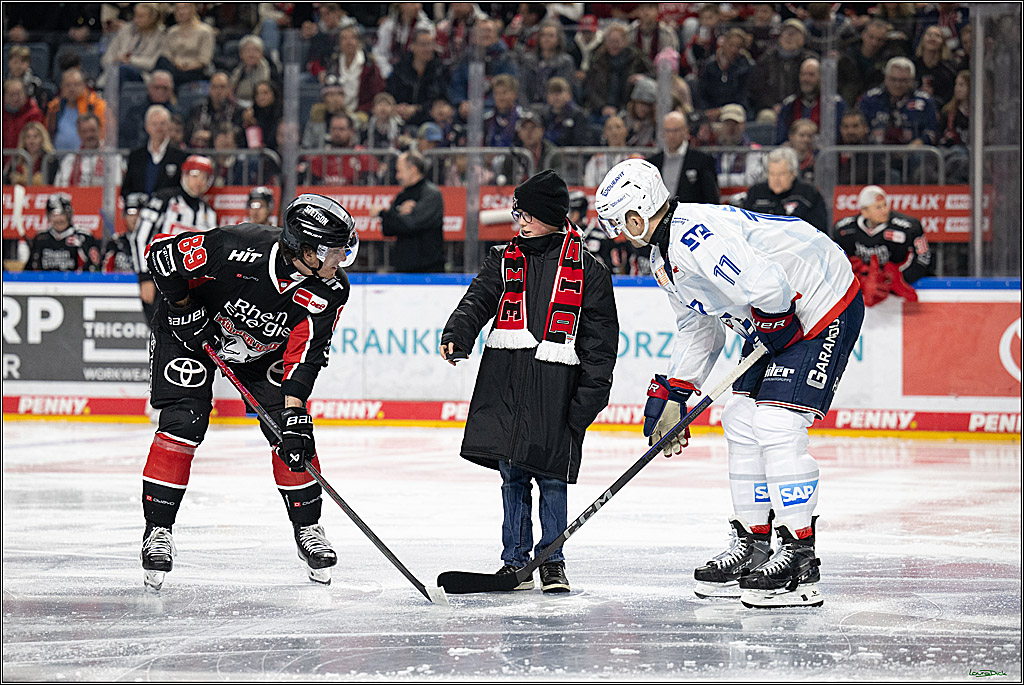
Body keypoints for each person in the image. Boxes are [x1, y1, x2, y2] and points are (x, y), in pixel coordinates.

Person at [595, 158, 863, 608]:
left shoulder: (693, 236)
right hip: (779, 309)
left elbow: (768, 286)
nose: (618, 232)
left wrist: (777, 328)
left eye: (618, 221)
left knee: (777, 425)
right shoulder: (663, 257)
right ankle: (754, 544)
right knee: (740, 417)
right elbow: (700, 327)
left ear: (637, 212)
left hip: (821, 301)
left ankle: (800, 558)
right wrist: (677, 391)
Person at [138, 194, 359, 591]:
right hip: (190, 335)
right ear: (306, 250)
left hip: (261, 353)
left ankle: (308, 527)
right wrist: (183, 306)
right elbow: (161, 255)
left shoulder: (331, 289)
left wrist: (294, 413)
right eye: (333, 250)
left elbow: (305, 355)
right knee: (183, 422)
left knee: (289, 433)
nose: (341, 258)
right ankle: (158, 529)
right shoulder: (237, 246)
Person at [439, 170, 618, 594]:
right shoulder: (503, 258)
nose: (520, 221)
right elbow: (477, 299)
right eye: (518, 213)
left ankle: (551, 561)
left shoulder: (588, 270)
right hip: (507, 385)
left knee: (551, 477)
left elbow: (600, 344)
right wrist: (458, 333)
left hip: (557, 392)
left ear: (550, 216)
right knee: (512, 476)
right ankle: (515, 561)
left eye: (528, 214)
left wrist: (586, 401)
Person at [132, 155, 218, 324]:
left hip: (195, 287)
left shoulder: (209, 213)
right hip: (163, 281)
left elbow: (213, 252)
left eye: (204, 177)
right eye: (195, 175)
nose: (199, 182)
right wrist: (145, 276)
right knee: (161, 331)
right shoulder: (163, 200)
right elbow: (140, 237)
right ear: (184, 175)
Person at [833, 185, 932, 306]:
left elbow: (923, 257)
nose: (885, 210)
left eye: (885, 205)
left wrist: (901, 279)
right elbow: (836, 260)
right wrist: (856, 279)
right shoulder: (843, 230)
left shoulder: (908, 227)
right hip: (862, 291)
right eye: (878, 207)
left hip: (897, 290)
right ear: (864, 212)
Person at [371, 151, 445, 272]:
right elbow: (388, 229)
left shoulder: (431, 194)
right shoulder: (402, 195)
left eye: (400, 171)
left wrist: (384, 214)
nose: (397, 176)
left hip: (429, 268)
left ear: (413, 169)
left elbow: (412, 223)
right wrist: (394, 215)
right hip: (404, 267)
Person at [743, 147, 828, 232]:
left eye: (781, 174)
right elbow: (745, 227)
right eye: (772, 174)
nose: (776, 179)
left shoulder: (809, 194)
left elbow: (819, 230)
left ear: (793, 173)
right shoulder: (756, 192)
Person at [646, 111, 719, 204]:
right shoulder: (653, 163)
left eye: (676, 130)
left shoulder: (702, 161)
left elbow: (711, 197)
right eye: (668, 131)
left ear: (686, 131)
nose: (671, 135)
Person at [749, 18, 816, 120]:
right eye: (786, 33)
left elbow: (813, 87)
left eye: (794, 34)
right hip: (772, 108)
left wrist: (794, 105)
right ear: (780, 37)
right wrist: (772, 105)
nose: (789, 37)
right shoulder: (766, 59)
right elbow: (759, 88)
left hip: (802, 106)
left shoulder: (810, 61)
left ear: (803, 39)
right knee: (766, 116)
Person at [582, 22, 651, 119]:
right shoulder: (596, 60)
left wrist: (643, 77)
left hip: (628, 109)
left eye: (617, 42)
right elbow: (589, 88)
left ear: (625, 42)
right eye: (611, 42)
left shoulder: (636, 57)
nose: (614, 45)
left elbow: (653, 73)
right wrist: (602, 107)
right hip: (599, 109)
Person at [122, 106, 189, 200]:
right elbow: (126, 190)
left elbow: (183, 189)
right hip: (140, 208)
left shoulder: (180, 156)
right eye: (154, 124)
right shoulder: (135, 156)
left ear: (169, 126)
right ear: (147, 127)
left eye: (162, 123)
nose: (158, 128)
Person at [775, 58, 847, 145]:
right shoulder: (789, 105)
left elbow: (839, 137)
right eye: (803, 74)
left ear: (821, 77)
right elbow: (781, 138)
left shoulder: (835, 104)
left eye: (811, 75)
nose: (806, 79)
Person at [26, 193, 101, 272]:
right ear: (48, 216)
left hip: (75, 280)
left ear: (69, 215)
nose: (58, 219)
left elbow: (95, 268)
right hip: (46, 280)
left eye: (62, 214)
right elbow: (29, 270)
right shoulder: (40, 238)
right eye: (54, 215)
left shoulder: (84, 237)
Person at [327, 21, 387, 117]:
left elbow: (377, 95)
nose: (348, 42)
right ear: (339, 43)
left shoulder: (369, 65)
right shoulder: (334, 63)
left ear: (359, 42)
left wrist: (361, 111)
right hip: (337, 110)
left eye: (352, 38)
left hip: (361, 111)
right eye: (344, 38)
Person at [44, 68, 107, 152]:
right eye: (68, 85)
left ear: (84, 86)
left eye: (76, 84)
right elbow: (48, 133)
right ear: (62, 87)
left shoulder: (95, 105)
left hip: (88, 156)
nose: (72, 89)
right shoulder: (54, 107)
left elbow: (103, 134)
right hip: (58, 156)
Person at [156, 2, 215, 89]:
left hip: (194, 70)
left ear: (193, 9)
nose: (181, 12)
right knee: (161, 62)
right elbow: (167, 54)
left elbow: (204, 59)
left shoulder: (205, 31)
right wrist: (176, 64)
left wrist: (185, 66)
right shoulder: (171, 31)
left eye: (184, 8)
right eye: (178, 9)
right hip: (174, 67)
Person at [54, 113, 121, 187]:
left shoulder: (111, 156)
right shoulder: (70, 159)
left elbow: (117, 184)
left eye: (92, 130)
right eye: (84, 131)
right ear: (79, 133)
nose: (89, 135)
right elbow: (60, 186)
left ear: (100, 130)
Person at [121, 69, 179, 149]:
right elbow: (125, 138)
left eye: (165, 88)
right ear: (149, 88)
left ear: (171, 90)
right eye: (157, 87)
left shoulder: (178, 115)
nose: (160, 91)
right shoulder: (134, 113)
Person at [714, 104, 763, 189]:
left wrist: (718, 179)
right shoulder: (713, 149)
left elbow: (750, 180)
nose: (731, 129)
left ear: (743, 125)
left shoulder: (753, 150)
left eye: (735, 124)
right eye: (727, 124)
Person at [185, 72, 241, 145]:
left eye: (222, 87)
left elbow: (237, 136)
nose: (218, 91)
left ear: (229, 89)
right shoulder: (197, 109)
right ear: (210, 89)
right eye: (214, 87)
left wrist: (211, 135)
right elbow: (188, 134)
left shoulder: (237, 110)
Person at [836, 109, 891, 185]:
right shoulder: (833, 150)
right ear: (840, 129)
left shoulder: (874, 151)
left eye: (855, 126)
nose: (850, 131)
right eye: (846, 127)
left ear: (865, 128)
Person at [3, 121, 56, 186]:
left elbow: (51, 183)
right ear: (23, 140)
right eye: (28, 137)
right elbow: (7, 182)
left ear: (42, 139)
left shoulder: (50, 160)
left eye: (35, 137)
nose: (32, 141)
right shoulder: (16, 159)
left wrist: (21, 180)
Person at [3, 79, 44, 150]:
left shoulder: (34, 114)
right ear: (5, 96)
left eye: (18, 94)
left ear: (25, 94)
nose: (15, 98)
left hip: (25, 155)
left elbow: (37, 140)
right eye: (11, 94)